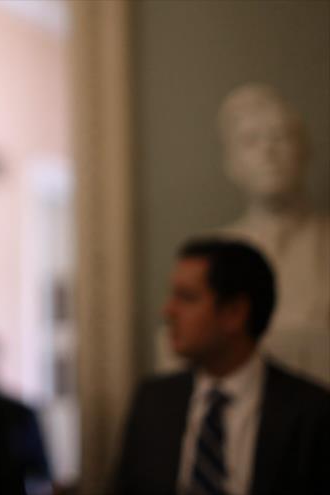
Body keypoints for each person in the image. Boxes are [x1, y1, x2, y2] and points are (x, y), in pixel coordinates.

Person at [115, 238, 330, 495]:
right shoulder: (153, 400)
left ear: (234, 313)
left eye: (187, 297)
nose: (168, 310)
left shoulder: (312, 412)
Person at [216, 83, 330, 383]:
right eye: (251, 141)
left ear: (304, 151)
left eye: (280, 137)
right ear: (232, 162)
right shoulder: (219, 255)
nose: (268, 151)